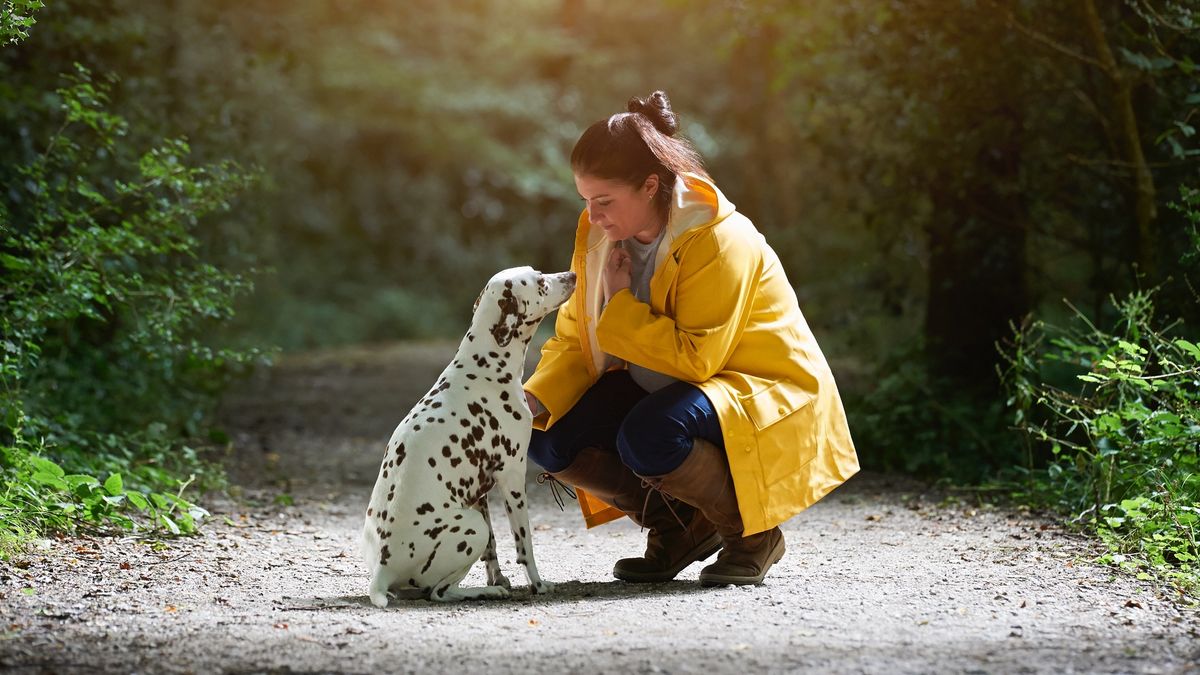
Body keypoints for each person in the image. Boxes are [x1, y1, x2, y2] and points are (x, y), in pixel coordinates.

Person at [522, 90, 859, 587]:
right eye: (585, 201)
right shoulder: (598, 235)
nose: (593, 216)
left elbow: (698, 359)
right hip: (667, 383)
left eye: (604, 201)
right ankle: (680, 528)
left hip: (752, 386)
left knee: (649, 434)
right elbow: (576, 337)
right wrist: (529, 399)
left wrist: (619, 307)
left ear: (651, 185)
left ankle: (754, 533)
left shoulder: (719, 238)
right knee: (547, 434)